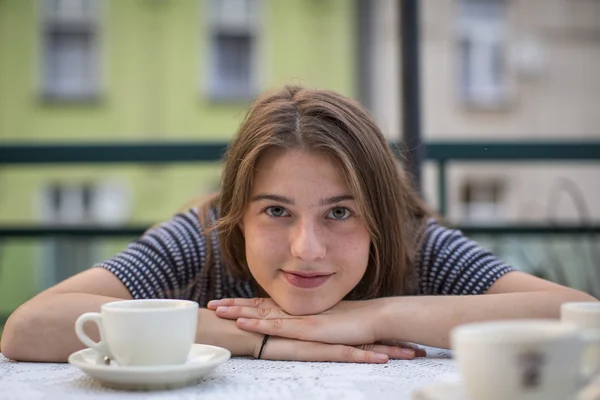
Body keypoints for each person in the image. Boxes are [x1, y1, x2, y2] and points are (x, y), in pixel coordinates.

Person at [1, 86, 597, 364]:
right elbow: (29, 328)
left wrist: (372, 315)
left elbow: (580, 317)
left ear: (378, 217)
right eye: (276, 210)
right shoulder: (205, 241)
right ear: (239, 211)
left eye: (340, 212)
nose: (306, 248)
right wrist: (264, 341)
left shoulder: (416, 247)